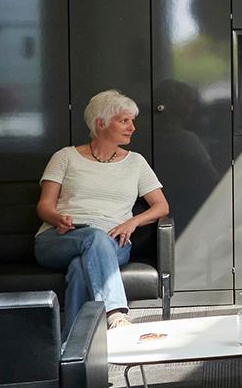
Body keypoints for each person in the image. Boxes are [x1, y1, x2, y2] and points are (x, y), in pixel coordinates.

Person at [35, 89, 170, 332]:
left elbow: (161, 206)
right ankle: (115, 313)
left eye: (132, 121)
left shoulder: (136, 162)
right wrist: (56, 218)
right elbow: (44, 206)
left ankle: (74, 343)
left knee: (80, 267)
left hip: (113, 241)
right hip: (60, 238)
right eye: (124, 120)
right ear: (101, 123)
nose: (132, 127)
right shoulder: (65, 157)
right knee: (93, 237)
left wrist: (132, 223)